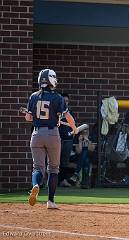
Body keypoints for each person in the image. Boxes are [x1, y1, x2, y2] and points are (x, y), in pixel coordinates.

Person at [25, 69, 78, 209]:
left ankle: (35, 185)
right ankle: (50, 201)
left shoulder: (33, 96)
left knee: (37, 168)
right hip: (53, 134)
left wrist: (32, 115)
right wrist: (74, 128)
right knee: (53, 169)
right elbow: (68, 117)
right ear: (51, 80)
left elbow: (28, 118)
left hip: (36, 135)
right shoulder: (57, 97)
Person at [58, 93, 75, 187]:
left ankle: (63, 180)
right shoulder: (56, 112)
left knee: (65, 161)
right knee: (55, 161)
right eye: (64, 101)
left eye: (67, 101)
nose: (65, 103)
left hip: (68, 140)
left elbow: (73, 126)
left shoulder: (70, 113)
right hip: (57, 139)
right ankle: (53, 181)